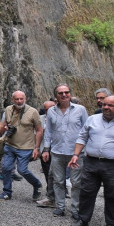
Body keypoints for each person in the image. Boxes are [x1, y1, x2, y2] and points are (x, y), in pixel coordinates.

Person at [68, 95, 114, 226]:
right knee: (86, 191)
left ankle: (111, 224)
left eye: (111, 105)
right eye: (104, 105)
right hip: (91, 161)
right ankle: (83, 219)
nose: (106, 107)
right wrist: (76, 154)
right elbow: (82, 137)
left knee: (113, 194)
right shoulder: (92, 119)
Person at [41, 84, 89, 218]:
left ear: (70, 93)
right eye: (60, 93)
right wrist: (45, 149)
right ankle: (60, 207)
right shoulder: (51, 111)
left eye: (66, 92)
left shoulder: (80, 110)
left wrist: (86, 149)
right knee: (58, 181)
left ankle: (75, 209)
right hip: (57, 152)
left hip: (76, 153)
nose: (64, 95)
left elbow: (86, 130)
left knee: (76, 182)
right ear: (56, 96)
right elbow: (48, 132)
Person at [0, 91, 44, 201]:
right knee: (6, 168)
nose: (19, 101)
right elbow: (3, 126)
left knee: (22, 170)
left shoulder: (32, 112)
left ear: (25, 99)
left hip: (25, 147)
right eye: (17, 99)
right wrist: (3, 130)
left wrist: (36, 148)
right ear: (12, 100)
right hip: (10, 145)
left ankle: (37, 184)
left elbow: (39, 130)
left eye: (21, 99)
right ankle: (7, 192)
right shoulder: (8, 110)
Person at [36, 99, 58, 208]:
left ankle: (57, 196)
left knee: (58, 174)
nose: (49, 111)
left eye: (51, 109)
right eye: (46, 109)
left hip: (58, 149)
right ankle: (51, 196)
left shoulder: (61, 117)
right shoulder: (40, 119)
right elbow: (35, 133)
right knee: (47, 172)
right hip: (45, 149)